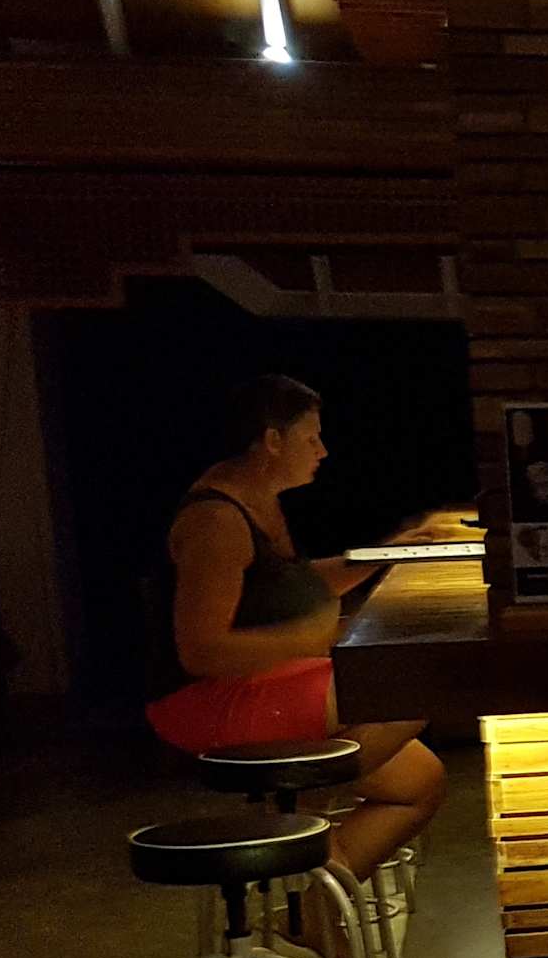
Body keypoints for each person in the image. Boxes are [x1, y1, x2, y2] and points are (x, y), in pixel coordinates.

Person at [149, 374, 451, 893]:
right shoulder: (217, 521)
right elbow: (200, 651)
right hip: (209, 701)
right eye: (311, 437)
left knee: (420, 782)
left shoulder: (257, 499)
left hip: (261, 684)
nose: (322, 451)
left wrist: (390, 552)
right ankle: (305, 821)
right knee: (408, 685)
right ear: (272, 440)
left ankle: (314, 896)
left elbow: (293, 585)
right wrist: (311, 638)